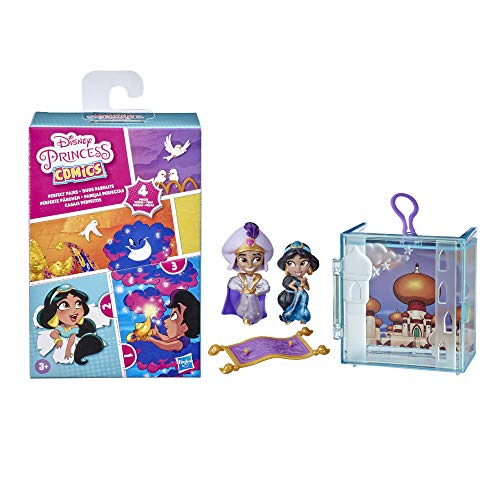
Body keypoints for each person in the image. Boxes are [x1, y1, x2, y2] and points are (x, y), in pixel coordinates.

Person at [36, 284, 105, 365]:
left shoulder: (75, 327)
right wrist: (58, 340)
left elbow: (71, 339)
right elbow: (53, 334)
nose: (74, 310)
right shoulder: (60, 327)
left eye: (78, 304)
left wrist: (68, 350)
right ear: (53, 312)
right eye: (65, 305)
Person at [221, 222, 274, 325]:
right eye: (243, 259)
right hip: (241, 305)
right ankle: (245, 317)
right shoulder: (239, 279)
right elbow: (232, 284)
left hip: (255, 306)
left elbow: (266, 287)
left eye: (257, 259)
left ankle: (252, 318)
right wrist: (242, 289)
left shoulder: (258, 279)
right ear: (236, 261)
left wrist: (256, 291)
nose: (250, 265)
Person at [277, 242, 320, 324]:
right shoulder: (291, 279)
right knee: (293, 306)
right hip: (292, 296)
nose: (298, 269)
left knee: (302, 306)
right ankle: (288, 318)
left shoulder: (303, 279)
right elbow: (290, 285)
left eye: (303, 263)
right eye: (291, 263)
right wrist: (296, 289)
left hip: (303, 295)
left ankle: (302, 317)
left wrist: (303, 284)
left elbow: (308, 288)